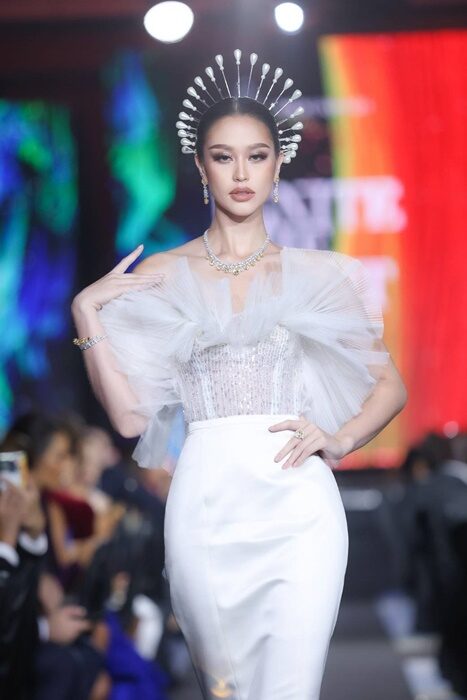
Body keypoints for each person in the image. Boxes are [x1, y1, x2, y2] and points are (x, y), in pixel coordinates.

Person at [71, 49, 407, 700]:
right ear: (201, 168)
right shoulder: (162, 274)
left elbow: (389, 386)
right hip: (205, 509)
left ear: (278, 165)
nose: (242, 172)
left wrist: (338, 439)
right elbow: (130, 418)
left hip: (299, 510)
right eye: (223, 157)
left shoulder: (315, 273)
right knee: (226, 691)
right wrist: (87, 313)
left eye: (257, 155)